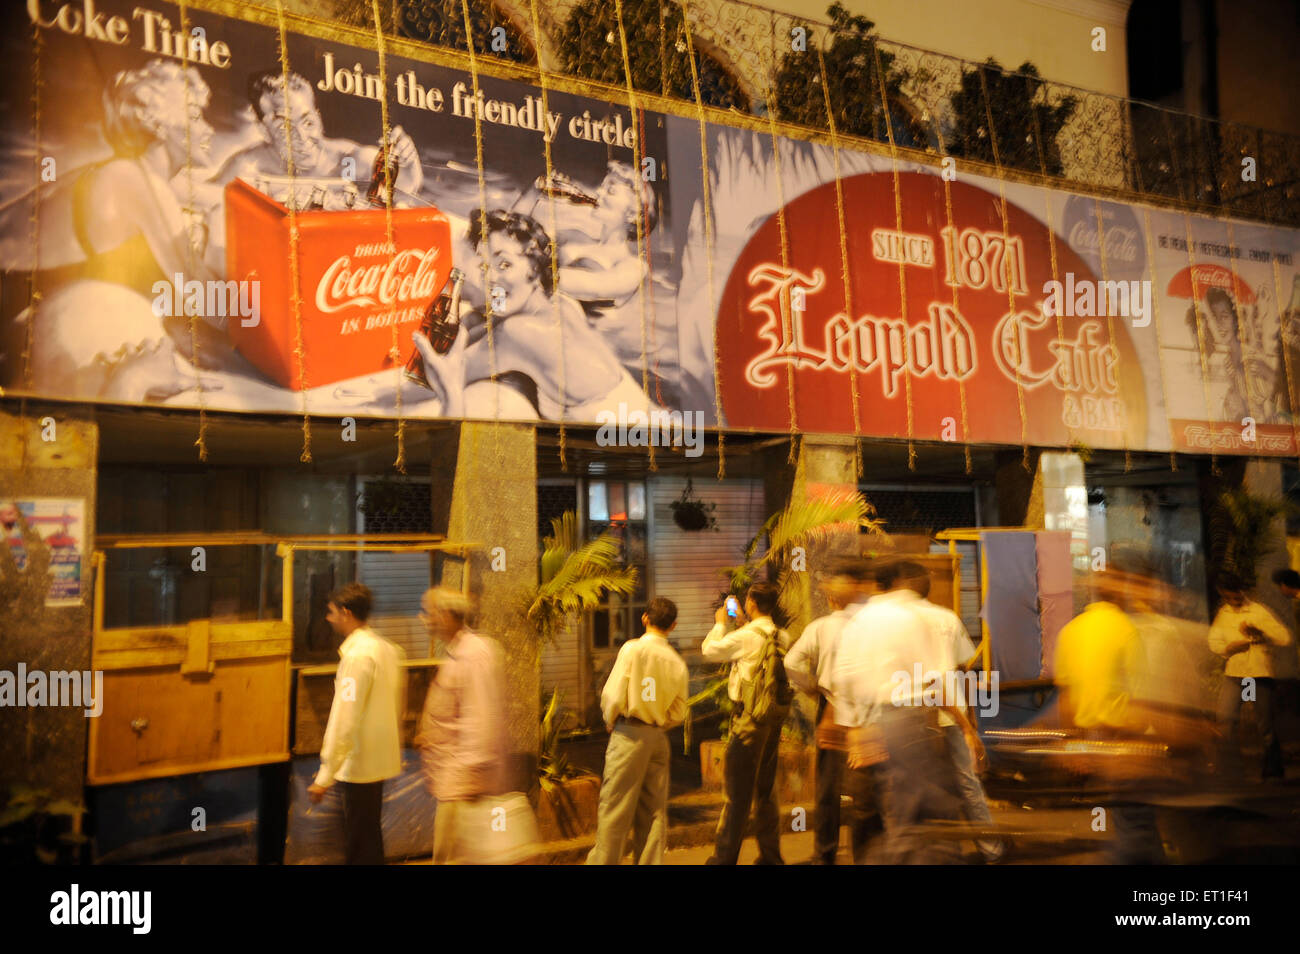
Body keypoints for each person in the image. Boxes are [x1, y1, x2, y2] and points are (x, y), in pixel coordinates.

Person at [409, 209, 659, 422]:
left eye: (504, 264)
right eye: (485, 267)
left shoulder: (519, 333)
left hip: (635, 436)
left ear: (536, 268)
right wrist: (475, 322)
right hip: (647, 418)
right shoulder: (562, 303)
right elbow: (489, 323)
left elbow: (438, 376)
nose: (491, 278)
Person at [831, 559, 966, 864]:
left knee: (893, 805)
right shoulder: (909, 618)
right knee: (924, 805)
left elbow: (843, 679)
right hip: (909, 721)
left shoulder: (858, 622)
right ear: (899, 582)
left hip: (874, 723)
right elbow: (934, 679)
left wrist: (856, 730)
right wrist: (963, 725)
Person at [893, 561, 1001, 863]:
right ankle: (991, 850)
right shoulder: (947, 618)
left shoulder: (894, 619)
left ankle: (927, 852)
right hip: (954, 714)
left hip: (910, 713)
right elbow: (963, 667)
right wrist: (970, 721)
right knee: (968, 783)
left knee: (914, 783)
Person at [784, 555, 880, 864]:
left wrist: (812, 687)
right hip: (869, 712)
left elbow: (790, 663)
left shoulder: (820, 627)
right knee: (866, 791)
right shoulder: (875, 623)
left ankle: (824, 853)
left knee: (828, 789)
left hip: (831, 709)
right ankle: (865, 854)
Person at [212, 70, 423, 202]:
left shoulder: (351, 160)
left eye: (308, 122)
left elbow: (406, 189)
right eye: (284, 127)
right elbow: (199, 197)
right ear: (263, 130)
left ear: (319, 117)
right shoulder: (249, 168)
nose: (302, 137)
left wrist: (407, 163)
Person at [586, 597, 689, 865]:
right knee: (654, 812)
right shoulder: (677, 662)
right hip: (657, 739)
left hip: (629, 735)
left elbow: (613, 695)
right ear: (673, 625)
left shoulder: (632, 650)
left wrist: (611, 719)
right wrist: (657, 724)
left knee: (615, 808)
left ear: (645, 618)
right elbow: (679, 712)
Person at [308, 583, 405, 865]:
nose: (329, 618)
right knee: (368, 835)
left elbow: (345, 716)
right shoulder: (387, 649)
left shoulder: (358, 656)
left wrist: (325, 774)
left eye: (331, 612)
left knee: (360, 841)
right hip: (378, 761)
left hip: (359, 763)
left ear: (346, 613)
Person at [414, 587, 509, 864]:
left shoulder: (473, 653)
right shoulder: (457, 651)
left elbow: (482, 715)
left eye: (428, 612)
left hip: (464, 781)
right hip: (453, 778)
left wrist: (472, 774)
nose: (424, 619)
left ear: (444, 615)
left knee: (453, 856)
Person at [700, 582, 792, 865]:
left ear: (751, 602)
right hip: (771, 721)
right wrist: (742, 621)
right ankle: (770, 856)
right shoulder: (782, 635)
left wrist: (719, 624)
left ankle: (724, 858)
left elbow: (710, 651)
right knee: (766, 790)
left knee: (737, 793)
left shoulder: (746, 636)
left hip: (748, 720)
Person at [1209, 572, 1292, 780]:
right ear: (1223, 594)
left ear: (1241, 591)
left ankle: (1272, 768)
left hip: (1254, 676)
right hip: (1236, 673)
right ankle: (1230, 767)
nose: (1233, 601)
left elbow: (1284, 638)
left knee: (1263, 723)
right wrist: (1229, 647)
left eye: (1236, 597)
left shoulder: (1257, 611)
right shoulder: (1224, 613)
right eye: (1229, 598)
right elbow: (1214, 641)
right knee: (1226, 719)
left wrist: (1260, 630)